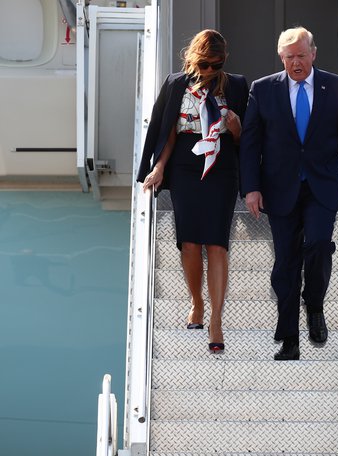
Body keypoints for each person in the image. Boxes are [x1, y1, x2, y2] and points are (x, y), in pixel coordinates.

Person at [240, 26, 338, 361]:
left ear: (313, 53)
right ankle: (289, 339)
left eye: (301, 55)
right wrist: (250, 188)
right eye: (289, 57)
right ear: (282, 58)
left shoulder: (336, 87)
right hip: (280, 187)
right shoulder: (263, 90)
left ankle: (315, 303)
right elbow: (250, 144)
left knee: (320, 245)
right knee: (286, 264)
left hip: (322, 184)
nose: (296, 62)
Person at [137, 29, 248, 353]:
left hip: (222, 165)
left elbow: (247, 138)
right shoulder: (176, 84)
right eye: (204, 63)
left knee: (216, 244)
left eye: (217, 64)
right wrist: (158, 167)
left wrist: (235, 125)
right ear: (193, 57)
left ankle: (216, 320)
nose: (210, 70)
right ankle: (196, 302)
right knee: (189, 243)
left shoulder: (237, 85)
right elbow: (167, 131)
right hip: (185, 164)